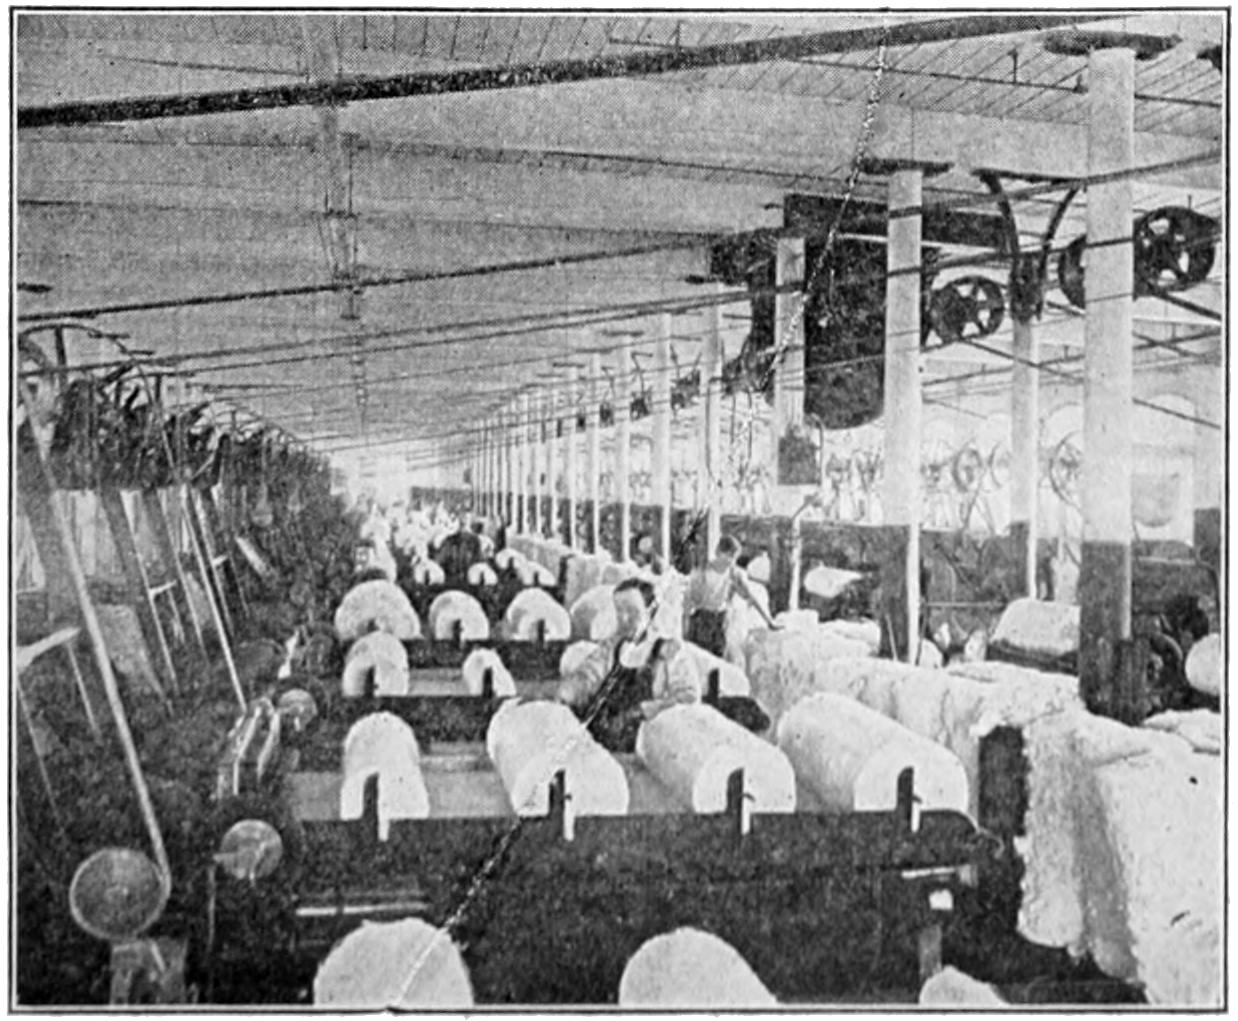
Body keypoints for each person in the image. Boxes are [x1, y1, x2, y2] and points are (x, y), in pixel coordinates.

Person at [557, 577, 699, 752]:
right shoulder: (612, 646)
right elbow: (589, 673)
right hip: (604, 738)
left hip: (644, 744)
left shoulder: (669, 652)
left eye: (632, 611)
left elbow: (689, 697)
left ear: (650, 612)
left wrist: (644, 710)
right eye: (619, 611)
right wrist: (569, 691)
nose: (624, 619)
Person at [682, 536, 778, 658]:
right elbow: (688, 600)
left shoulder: (734, 573)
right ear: (718, 552)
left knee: (718, 660)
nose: (731, 561)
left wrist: (769, 621)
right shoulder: (703, 570)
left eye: (734, 558)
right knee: (699, 658)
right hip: (701, 620)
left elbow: (751, 597)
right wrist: (684, 630)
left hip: (720, 622)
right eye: (728, 556)